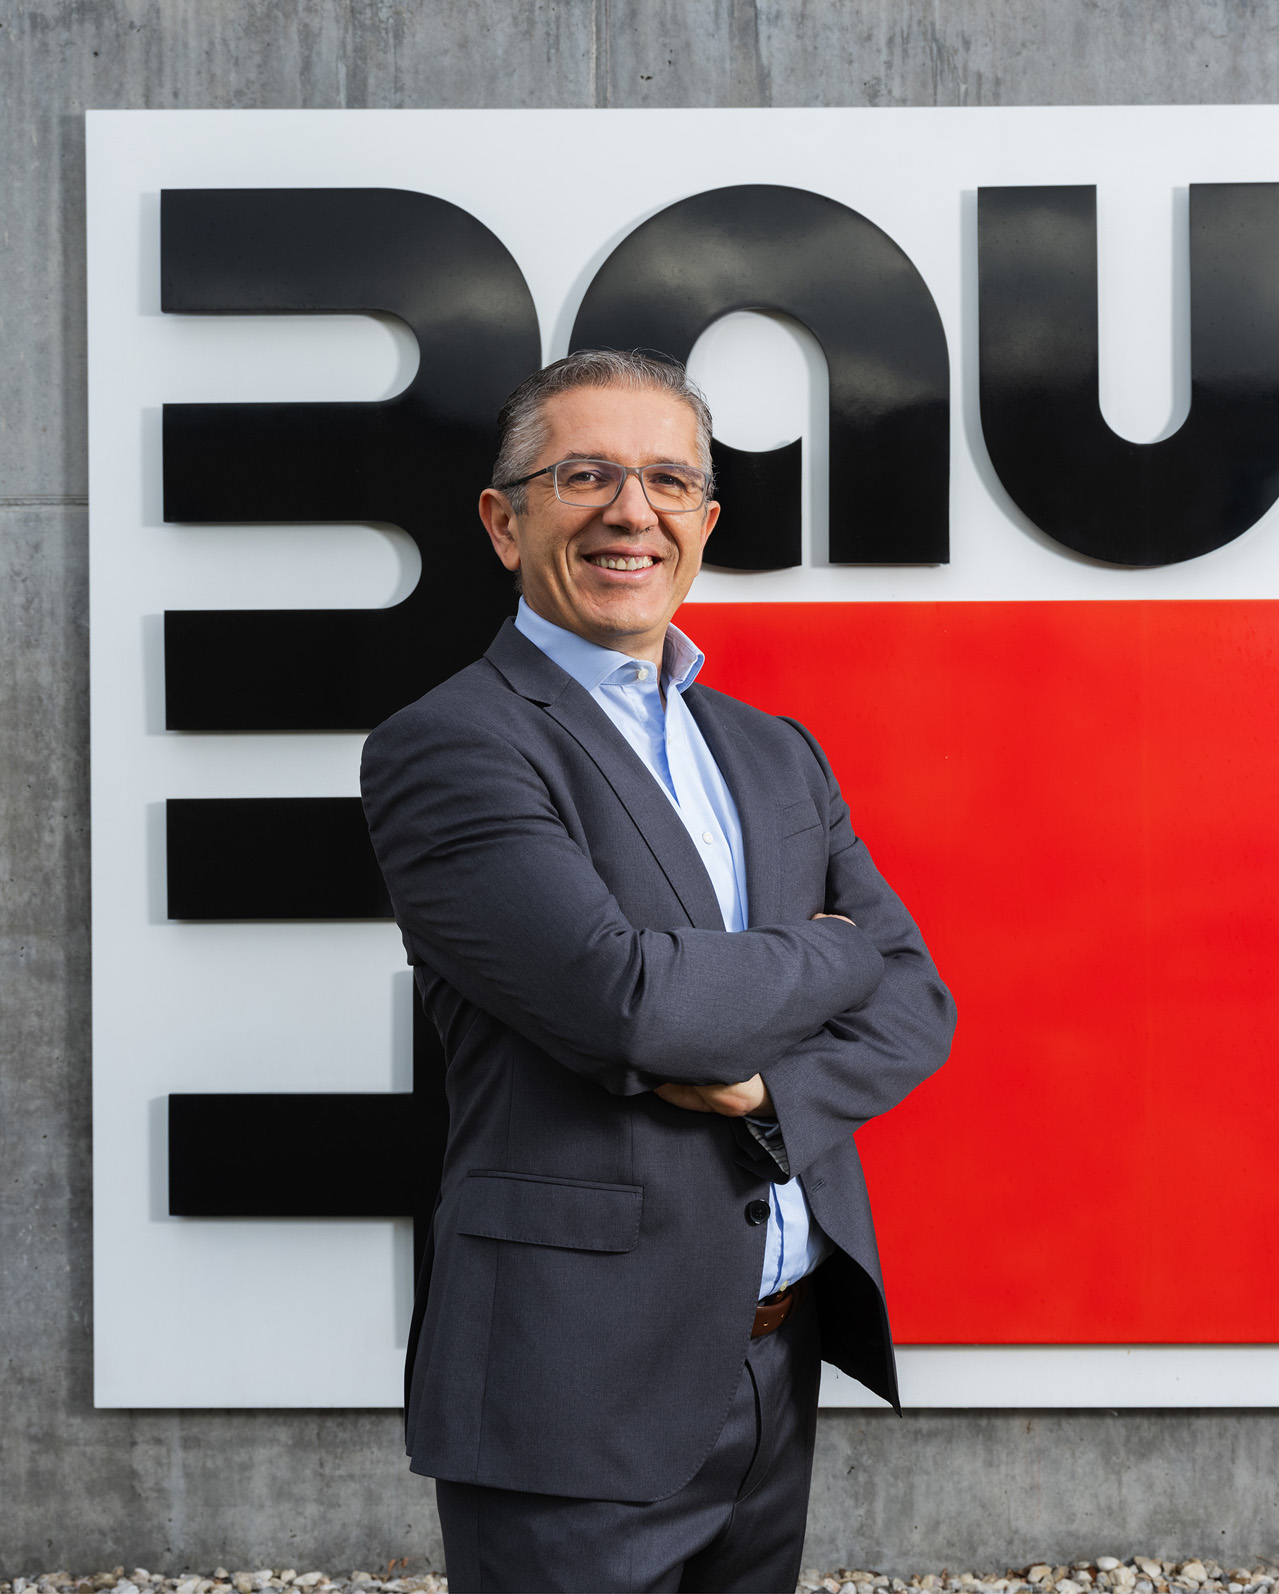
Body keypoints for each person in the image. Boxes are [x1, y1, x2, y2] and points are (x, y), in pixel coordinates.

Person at [359, 348, 956, 1594]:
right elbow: (629, 1002)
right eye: (585, 475)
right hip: (572, 1378)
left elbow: (914, 998)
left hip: (775, 1360)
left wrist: (769, 1091)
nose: (631, 512)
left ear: (704, 523)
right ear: (503, 521)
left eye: (669, 481)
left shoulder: (773, 751)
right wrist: (832, 949)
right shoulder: (453, 746)